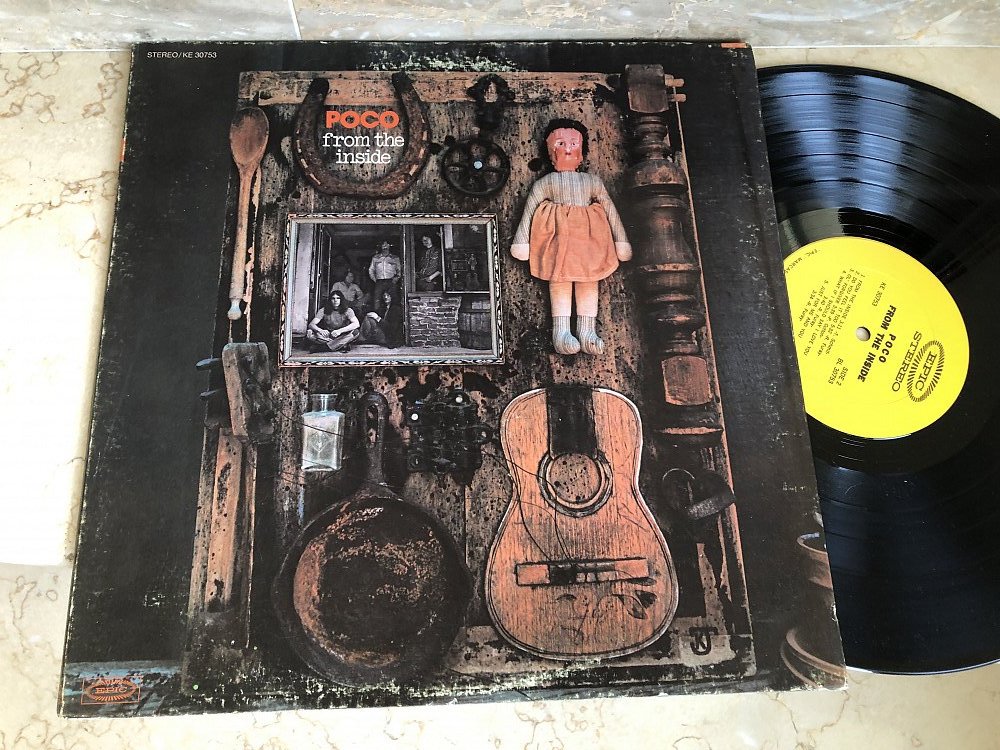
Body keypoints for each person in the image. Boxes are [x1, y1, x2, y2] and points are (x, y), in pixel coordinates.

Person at [510, 118, 632, 356]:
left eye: (573, 144)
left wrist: (621, 240)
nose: (567, 149)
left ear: (582, 152)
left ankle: (587, 331)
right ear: (550, 152)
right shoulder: (546, 183)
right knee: (560, 281)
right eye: (560, 143)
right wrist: (521, 241)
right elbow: (531, 208)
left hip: (588, 244)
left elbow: (609, 209)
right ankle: (561, 332)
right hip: (559, 243)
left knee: (589, 280)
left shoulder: (592, 182)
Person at [368, 240, 402, 305]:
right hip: (379, 281)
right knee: (377, 300)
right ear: (381, 246)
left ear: (389, 246)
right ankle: (378, 311)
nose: (385, 247)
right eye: (383, 245)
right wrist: (375, 279)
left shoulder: (395, 258)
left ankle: (393, 311)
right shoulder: (375, 258)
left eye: (386, 245)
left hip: (391, 281)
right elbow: (371, 270)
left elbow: (399, 270)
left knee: (394, 300)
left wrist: (396, 278)